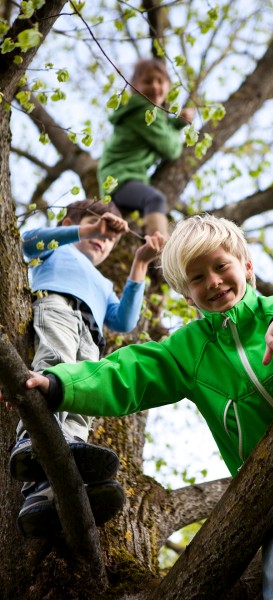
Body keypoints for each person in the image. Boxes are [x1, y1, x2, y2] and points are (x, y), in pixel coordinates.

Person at [8, 214, 273, 597]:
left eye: (220, 266)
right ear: (185, 293)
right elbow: (131, 371)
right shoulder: (190, 349)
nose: (213, 281)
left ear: (246, 265)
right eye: (197, 278)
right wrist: (60, 383)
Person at [10, 198, 165, 539]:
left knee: (83, 396)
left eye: (110, 238)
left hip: (92, 334)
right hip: (58, 306)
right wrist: (87, 228)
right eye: (98, 230)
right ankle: (30, 440)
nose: (104, 240)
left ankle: (45, 490)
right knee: (55, 365)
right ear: (70, 222)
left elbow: (124, 320)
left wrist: (140, 262)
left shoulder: (104, 284)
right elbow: (27, 242)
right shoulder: (56, 250)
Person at [97, 57, 194, 240]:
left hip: (119, 177)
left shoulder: (148, 114)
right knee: (155, 199)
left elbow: (160, 132)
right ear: (134, 86)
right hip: (121, 178)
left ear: (168, 86)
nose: (155, 86)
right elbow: (171, 149)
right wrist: (179, 126)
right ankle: (160, 254)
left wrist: (176, 124)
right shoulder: (143, 111)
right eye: (147, 81)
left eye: (160, 81)